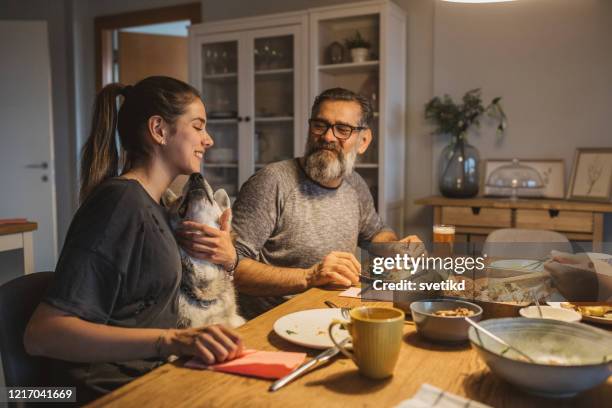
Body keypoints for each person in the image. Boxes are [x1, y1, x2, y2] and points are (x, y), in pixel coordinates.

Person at [24, 76, 243, 403]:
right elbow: (42, 335)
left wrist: (224, 256)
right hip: (104, 391)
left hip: (154, 376)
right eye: (198, 126)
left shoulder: (154, 204)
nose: (208, 139)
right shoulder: (120, 204)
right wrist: (171, 340)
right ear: (159, 130)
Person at [230, 87, 421, 317]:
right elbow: (231, 268)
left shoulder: (355, 184)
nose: (328, 137)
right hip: (271, 325)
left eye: (343, 129)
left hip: (333, 316)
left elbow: (375, 234)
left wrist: (397, 249)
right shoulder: (272, 182)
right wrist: (309, 276)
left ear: (363, 141)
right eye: (320, 125)